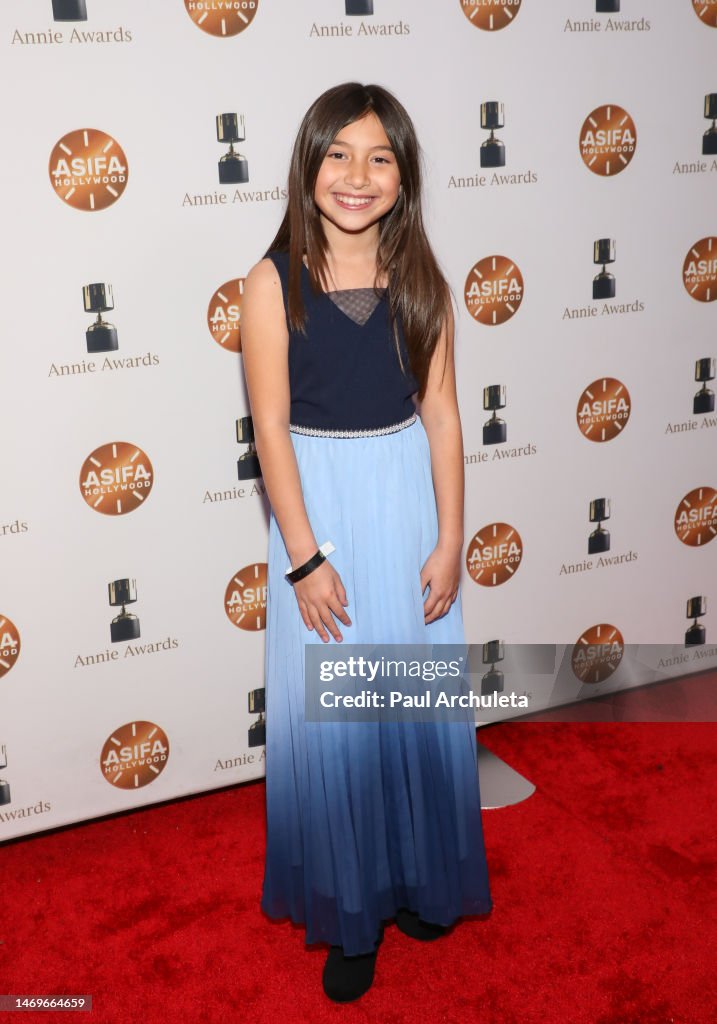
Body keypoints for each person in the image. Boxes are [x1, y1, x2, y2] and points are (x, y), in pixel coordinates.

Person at [241, 82, 492, 1003]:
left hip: (405, 514)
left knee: (411, 708)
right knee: (340, 721)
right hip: (322, 518)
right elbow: (270, 429)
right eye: (338, 153)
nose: (357, 175)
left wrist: (451, 538)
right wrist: (304, 559)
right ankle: (351, 912)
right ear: (309, 166)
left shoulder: (423, 279)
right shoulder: (269, 283)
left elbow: (443, 418)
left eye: (379, 156)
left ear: (403, 175)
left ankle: (418, 880)